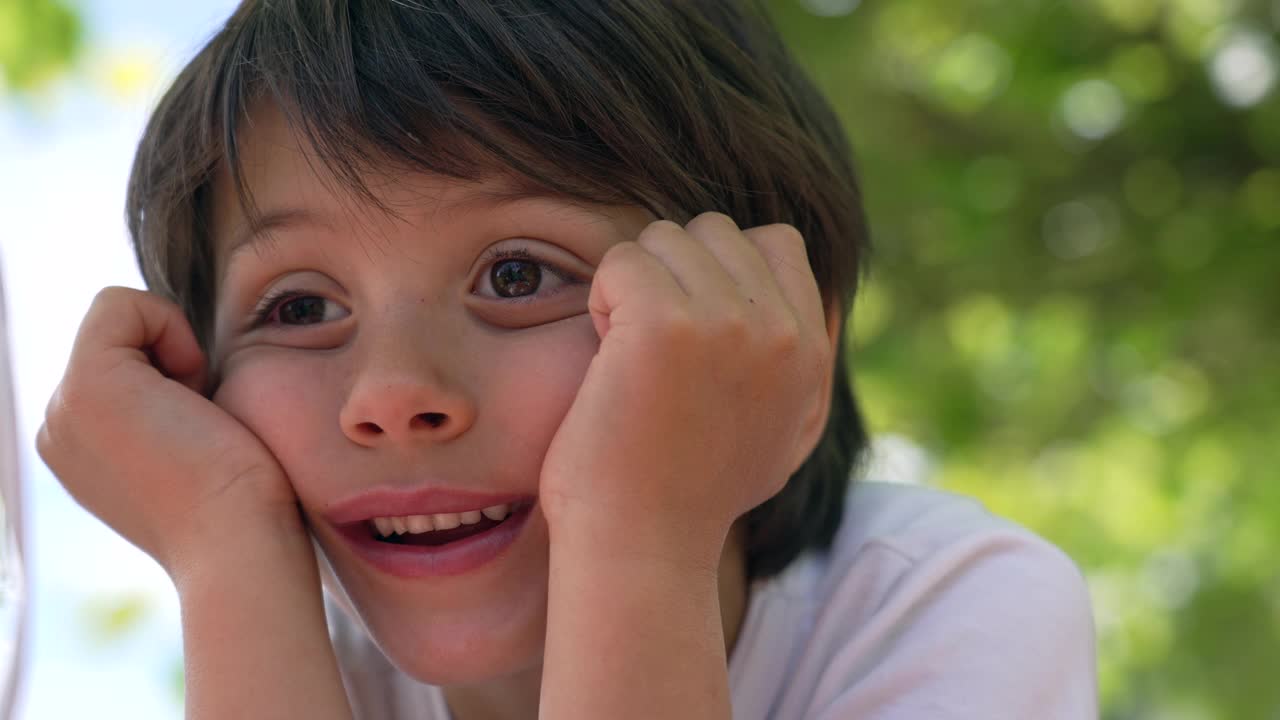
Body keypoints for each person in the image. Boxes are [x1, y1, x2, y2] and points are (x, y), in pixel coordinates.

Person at [36, 1, 1097, 718]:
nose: (392, 394)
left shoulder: (941, 607)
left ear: (774, 327)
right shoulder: (293, 672)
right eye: (301, 304)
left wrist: (637, 535)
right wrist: (223, 548)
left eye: (514, 277)